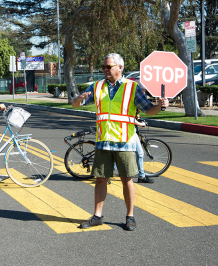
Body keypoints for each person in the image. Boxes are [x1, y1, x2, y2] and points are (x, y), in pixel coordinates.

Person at [72, 53, 168, 231]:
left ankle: (130, 216)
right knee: (100, 180)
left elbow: (149, 110)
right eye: (104, 67)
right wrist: (77, 100)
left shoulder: (132, 87)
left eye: (109, 67)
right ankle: (97, 216)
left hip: (125, 142)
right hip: (103, 141)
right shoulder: (97, 86)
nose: (105, 70)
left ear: (120, 68)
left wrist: (160, 106)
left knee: (127, 179)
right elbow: (76, 104)